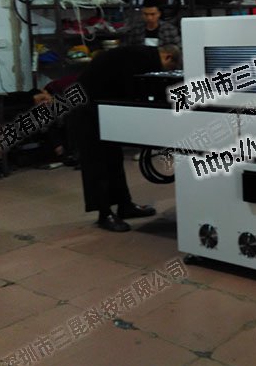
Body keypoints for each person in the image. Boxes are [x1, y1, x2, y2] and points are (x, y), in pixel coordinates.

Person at [72, 44, 182, 232]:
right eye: (170, 69)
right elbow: (134, 91)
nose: (166, 73)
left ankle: (125, 205)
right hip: (87, 108)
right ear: (168, 57)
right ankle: (104, 214)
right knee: (97, 162)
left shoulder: (142, 56)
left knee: (114, 158)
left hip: (103, 105)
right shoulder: (141, 59)